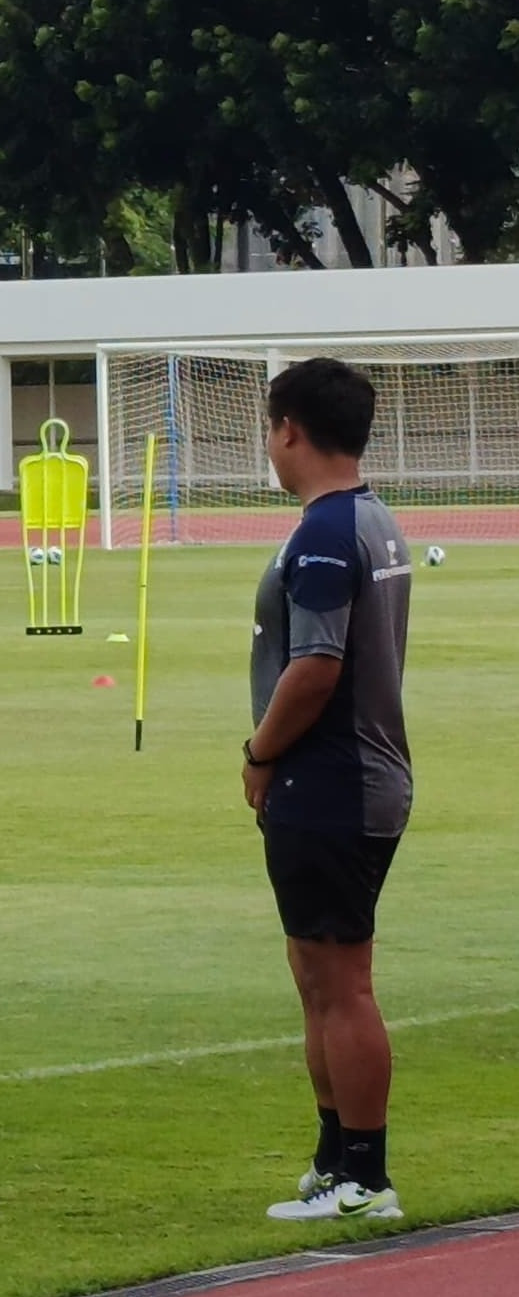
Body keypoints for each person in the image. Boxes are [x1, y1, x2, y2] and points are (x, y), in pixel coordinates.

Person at [246, 359, 415, 1223]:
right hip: (363, 775)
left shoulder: (321, 533)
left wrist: (258, 750)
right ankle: (333, 1156)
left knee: (341, 979)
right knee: (316, 972)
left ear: (289, 429)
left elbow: (315, 666)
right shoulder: (374, 518)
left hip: (332, 779)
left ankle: (365, 1176)